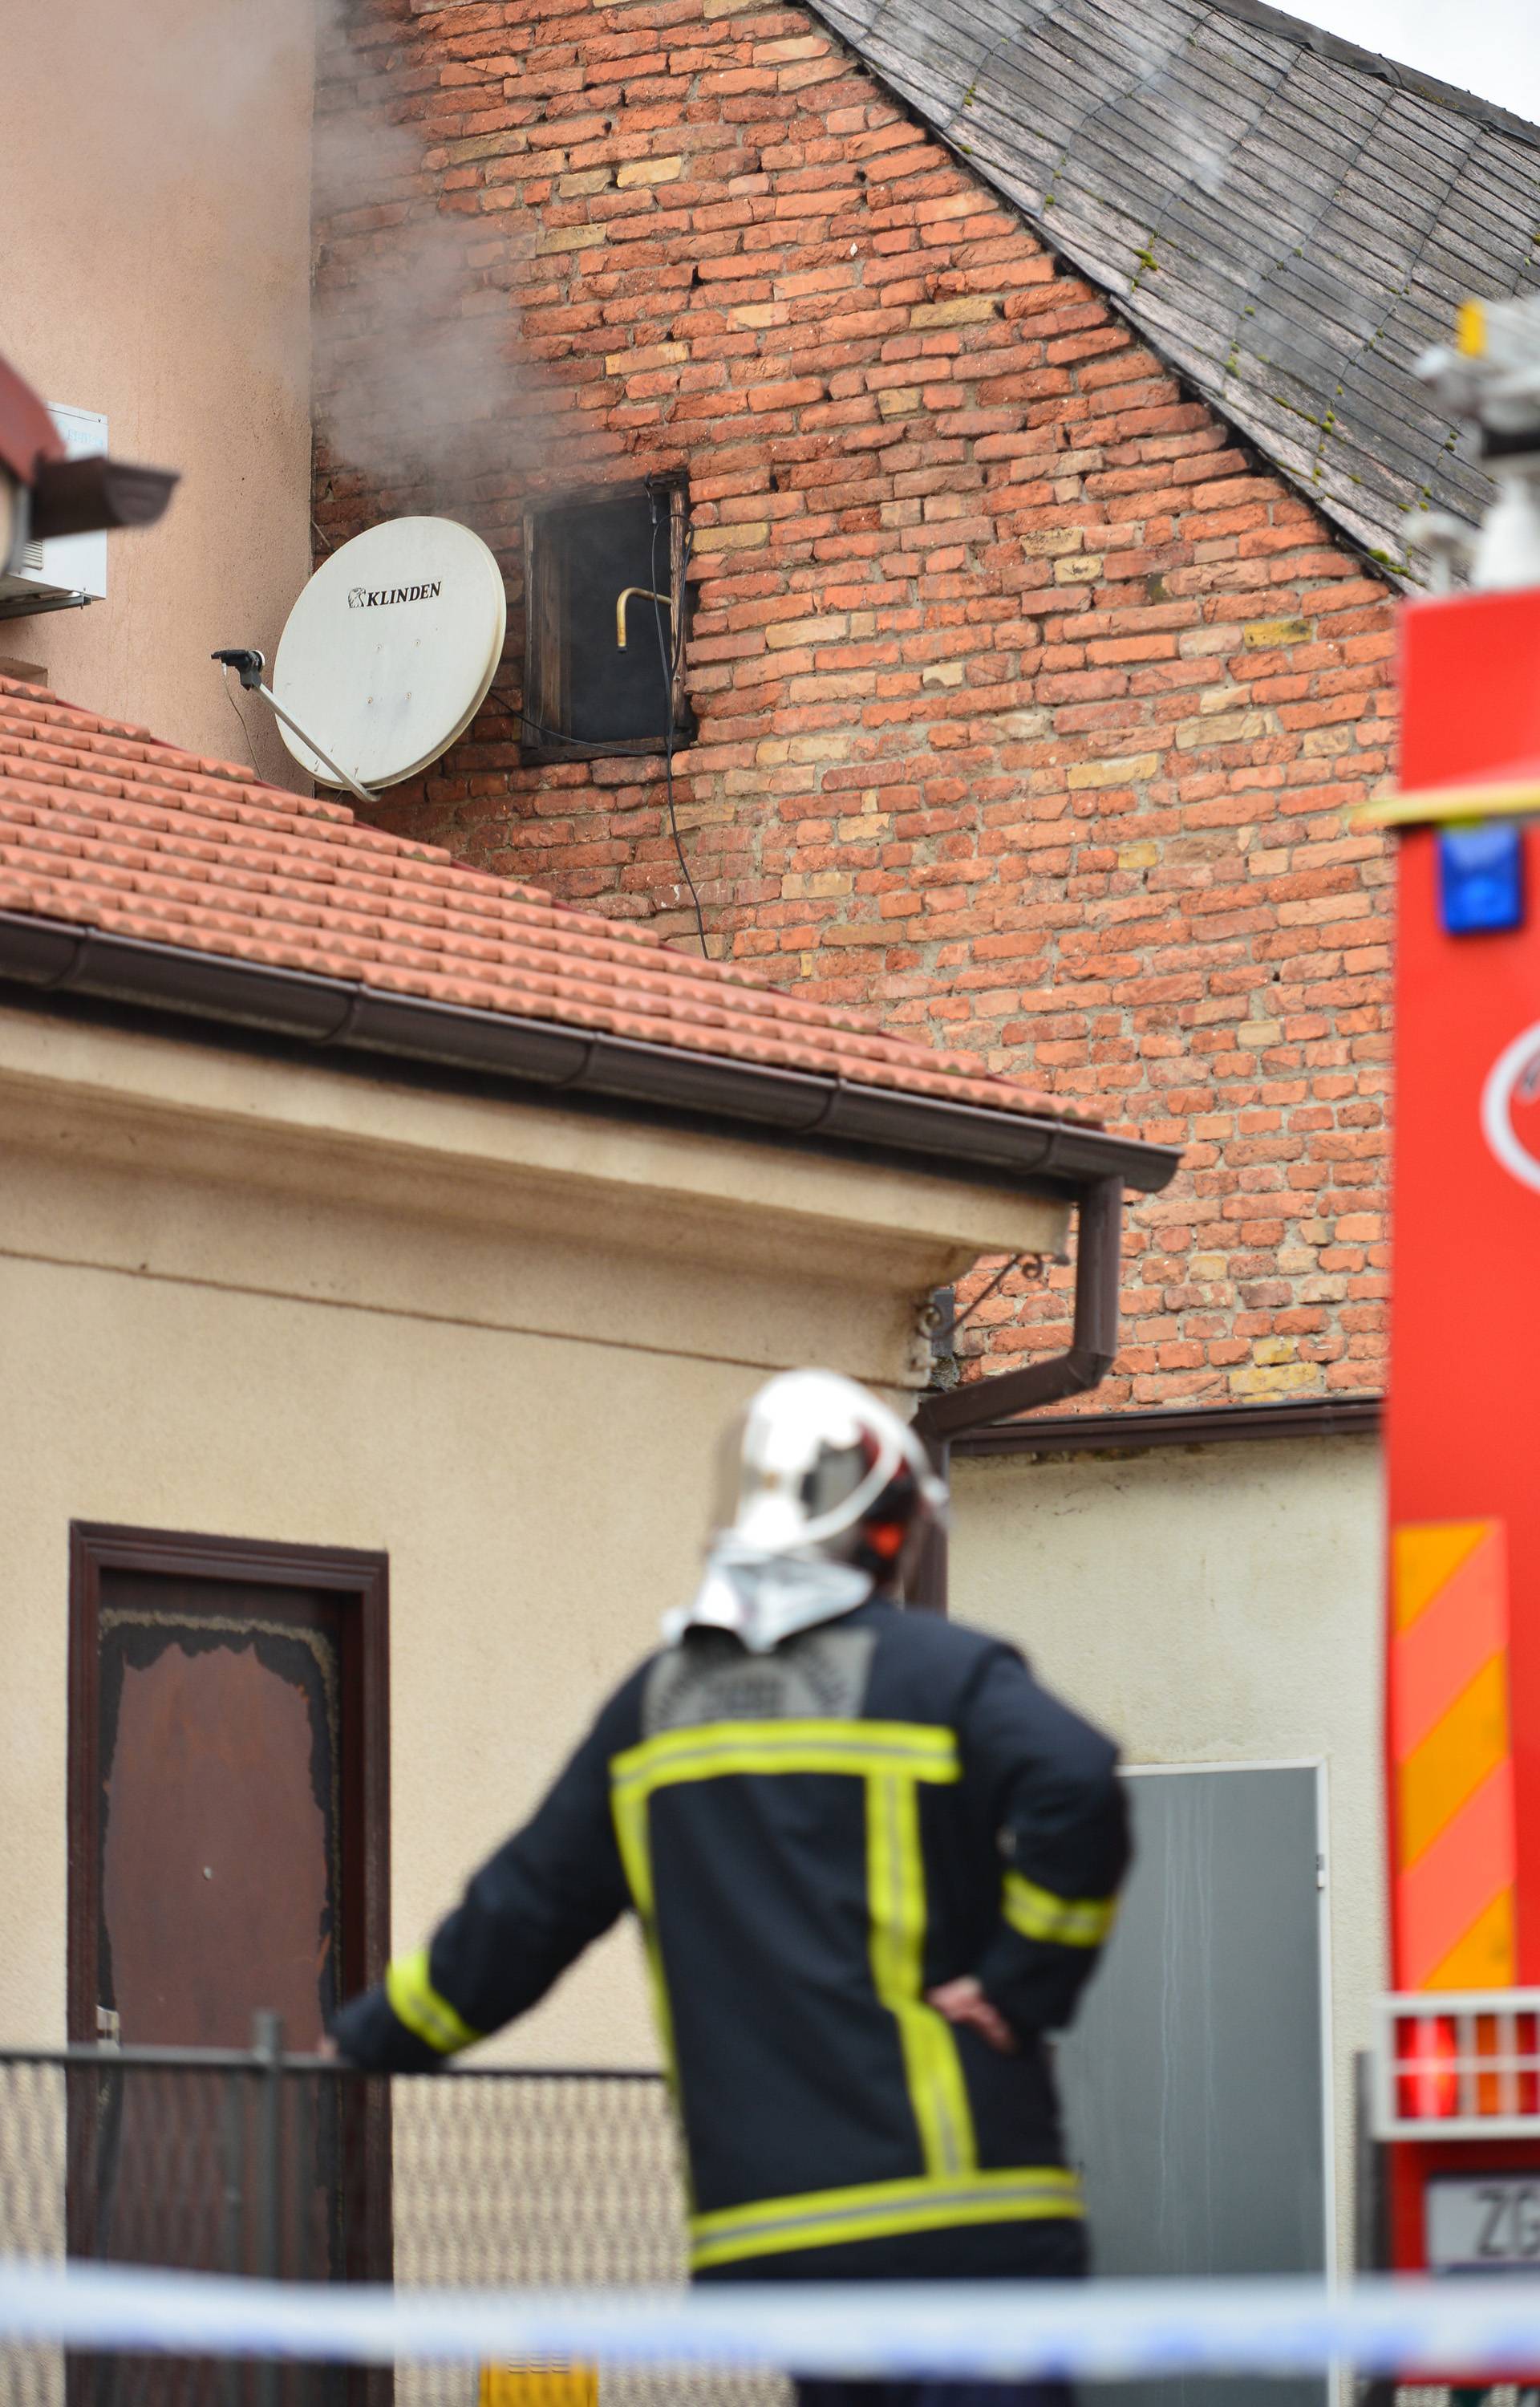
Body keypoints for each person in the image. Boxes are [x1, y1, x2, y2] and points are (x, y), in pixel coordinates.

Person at [332, 1370, 1130, 2407]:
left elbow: (521, 1916)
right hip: (959, 2208)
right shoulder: (940, 1678)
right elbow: (1075, 1783)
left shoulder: (656, 1710)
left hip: (775, 2232)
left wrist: (366, 2041)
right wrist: (1025, 1987)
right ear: (887, 1533)